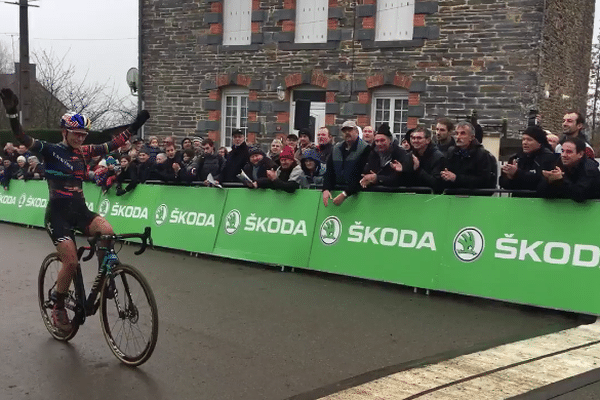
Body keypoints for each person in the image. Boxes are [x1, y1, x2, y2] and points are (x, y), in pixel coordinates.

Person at [0, 87, 149, 333]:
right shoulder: (50, 150)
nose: (80, 138)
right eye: (76, 134)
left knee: (108, 231)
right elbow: (22, 138)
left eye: (83, 134)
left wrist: (134, 126)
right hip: (57, 214)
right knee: (70, 261)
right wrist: (13, 113)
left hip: (80, 210)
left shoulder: (85, 151)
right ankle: (58, 306)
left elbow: (113, 144)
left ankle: (107, 277)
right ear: (64, 132)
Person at [322, 120, 371, 206]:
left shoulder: (365, 148)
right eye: (344, 131)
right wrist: (326, 188)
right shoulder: (336, 148)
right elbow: (329, 172)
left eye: (350, 130)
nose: (347, 133)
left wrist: (345, 194)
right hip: (337, 192)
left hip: (357, 196)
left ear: (356, 131)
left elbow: (361, 176)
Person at [537, 137, 600, 202]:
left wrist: (560, 180)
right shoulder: (557, 163)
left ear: (580, 154)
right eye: (562, 151)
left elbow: (581, 194)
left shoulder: (590, 168)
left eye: (569, 152)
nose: (563, 155)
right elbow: (541, 193)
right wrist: (549, 181)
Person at [499, 126, 557, 194]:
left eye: (529, 140)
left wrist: (517, 174)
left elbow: (540, 182)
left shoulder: (548, 158)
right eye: (523, 139)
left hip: (538, 201)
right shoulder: (517, 157)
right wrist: (510, 177)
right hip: (518, 200)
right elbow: (503, 183)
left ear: (539, 143)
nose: (525, 142)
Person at [441, 121, 496, 190]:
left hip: (475, 195)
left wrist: (456, 178)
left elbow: (484, 180)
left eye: (462, 133)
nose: (458, 137)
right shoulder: (451, 152)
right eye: (456, 133)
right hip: (454, 194)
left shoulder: (482, 154)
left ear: (471, 137)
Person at [361, 123, 412, 189]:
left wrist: (377, 178)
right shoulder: (372, 153)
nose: (379, 144)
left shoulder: (400, 154)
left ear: (390, 140)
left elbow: (399, 179)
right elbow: (367, 171)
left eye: (382, 140)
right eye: (377, 141)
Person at [408, 126, 445, 192]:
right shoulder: (410, 155)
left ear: (428, 140)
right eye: (413, 138)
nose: (415, 141)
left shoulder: (438, 157)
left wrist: (418, 169)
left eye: (419, 138)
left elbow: (437, 183)